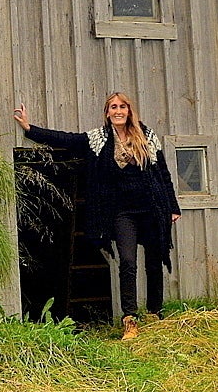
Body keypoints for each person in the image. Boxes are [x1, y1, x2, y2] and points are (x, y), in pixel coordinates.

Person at [13, 93, 181, 340]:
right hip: (122, 212)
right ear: (107, 112)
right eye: (113, 107)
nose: (118, 111)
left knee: (154, 261)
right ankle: (130, 318)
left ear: (129, 110)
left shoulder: (147, 136)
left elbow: (163, 173)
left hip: (151, 208)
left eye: (122, 106)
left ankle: (155, 313)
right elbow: (67, 140)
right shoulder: (99, 139)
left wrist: (172, 207)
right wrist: (30, 129)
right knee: (127, 261)